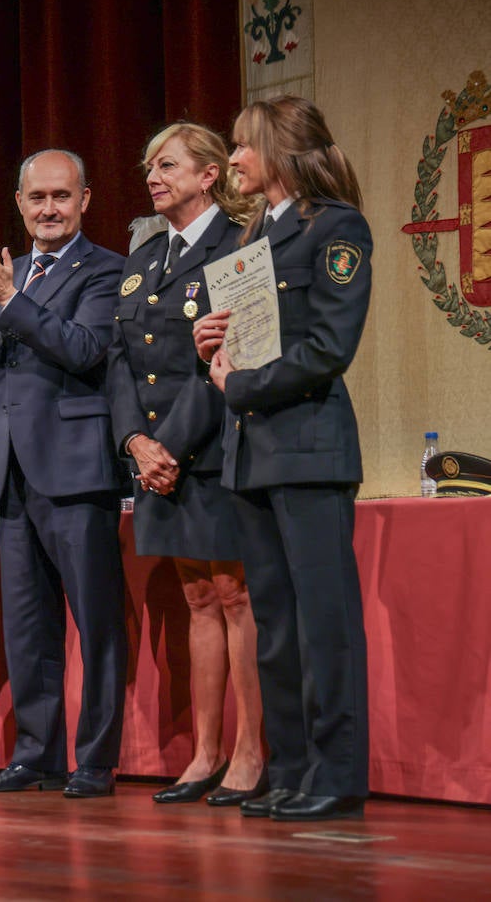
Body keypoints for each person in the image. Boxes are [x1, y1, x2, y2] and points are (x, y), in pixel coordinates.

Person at [192, 95, 372, 822]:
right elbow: (248, 338)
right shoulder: (246, 241)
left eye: (241, 145)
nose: (232, 159)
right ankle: (293, 770)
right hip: (252, 454)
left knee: (324, 623)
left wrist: (243, 383)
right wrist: (211, 341)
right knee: (276, 625)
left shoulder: (336, 229)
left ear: (281, 147)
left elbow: (330, 347)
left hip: (308, 448)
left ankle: (338, 774)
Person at [0, 149, 127, 798]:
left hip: (78, 472)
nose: (48, 209)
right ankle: (36, 753)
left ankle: (96, 760)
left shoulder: (107, 272)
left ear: (84, 202)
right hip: (11, 476)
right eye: (36, 198)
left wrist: (12, 299)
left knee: (97, 623)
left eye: (61, 197)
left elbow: (86, 350)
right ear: (19, 204)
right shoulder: (7, 276)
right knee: (27, 627)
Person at [106, 123, 266, 804]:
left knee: (233, 594)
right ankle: (203, 753)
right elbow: (119, 359)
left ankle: (251, 754)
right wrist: (135, 445)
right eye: (149, 165)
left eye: (167, 165)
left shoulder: (239, 245)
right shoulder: (144, 253)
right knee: (197, 597)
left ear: (208, 175)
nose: (153, 175)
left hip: (215, 446)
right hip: (156, 459)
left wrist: (169, 443)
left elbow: (233, 356)